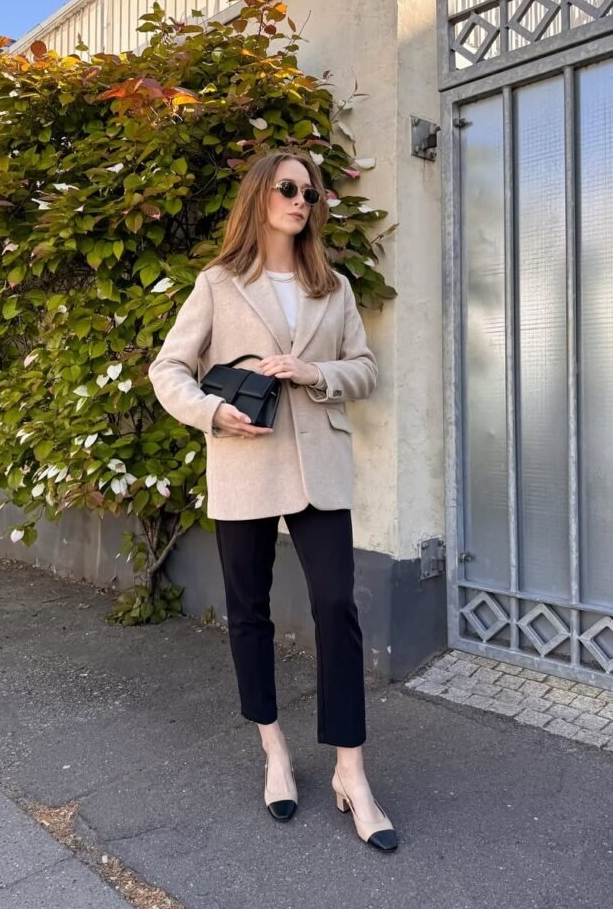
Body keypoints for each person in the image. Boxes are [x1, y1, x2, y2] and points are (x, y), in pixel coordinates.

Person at [148, 149, 397, 852]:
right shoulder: (219, 284)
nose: (300, 201)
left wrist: (314, 371)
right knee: (249, 612)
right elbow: (168, 367)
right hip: (245, 462)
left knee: (336, 605)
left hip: (319, 466)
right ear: (259, 196)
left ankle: (352, 773)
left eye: (310, 193)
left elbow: (365, 369)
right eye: (289, 188)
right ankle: (275, 751)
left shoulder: (332, 286)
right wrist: (211, 412)